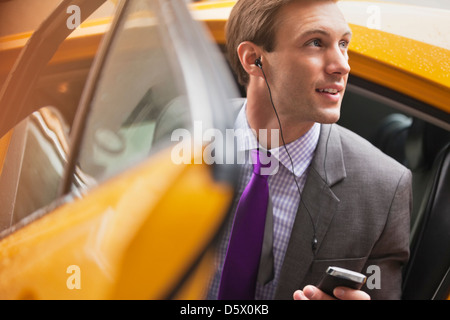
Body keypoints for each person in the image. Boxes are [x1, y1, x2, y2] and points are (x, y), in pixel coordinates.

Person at [207, 0, 412, 300]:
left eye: (343, 43)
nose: (343, 65)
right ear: (253, 60)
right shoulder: (185, 128)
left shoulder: (384, 188)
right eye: (316, 42)